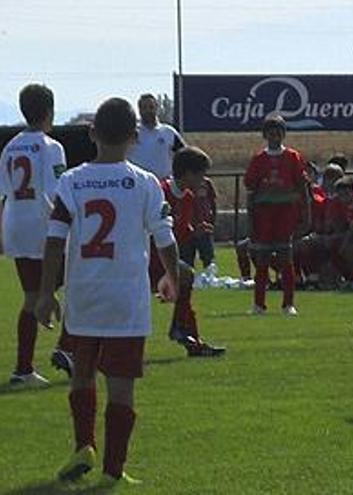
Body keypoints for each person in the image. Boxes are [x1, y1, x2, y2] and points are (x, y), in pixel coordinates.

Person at [34, 97, 180, 487]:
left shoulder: (72, 181)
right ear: (135, 137)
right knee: (121, 385)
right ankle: (114, 469)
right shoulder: (147, 183)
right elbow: (165, 238)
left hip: (84, 295)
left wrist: (45, 293)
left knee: (81, 374)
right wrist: (172, 279)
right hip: (126, 300)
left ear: (92, 133)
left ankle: (84, 445)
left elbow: (53, 241)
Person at [0, 83, 74, 386]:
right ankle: (66, 348)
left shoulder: (10, 146)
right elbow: (57, 193)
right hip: (43, 226)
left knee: (33, 297)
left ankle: (23, 368)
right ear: (49, 111)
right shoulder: (51, 146)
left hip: (15, 222)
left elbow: (5, 192)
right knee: (81, 281)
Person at [152, 146, 226, 357]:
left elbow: (180, 234)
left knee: (186, 276)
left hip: (161, 259)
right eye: (201, 175)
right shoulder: (160, 191)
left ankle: (186, 333)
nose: (203, 181)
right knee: (186, 275)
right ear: (187, 174)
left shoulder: (186, 197)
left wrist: (196, 232)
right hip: (145, 256)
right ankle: (183, 330)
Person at [244, 115, 311, 315]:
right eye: (271, 133)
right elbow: (251, 190)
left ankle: (288, 304)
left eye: (279, 132)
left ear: (284, 134)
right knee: (262, 258)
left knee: (285, 258)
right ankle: (258, 304)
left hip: (285, 213)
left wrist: (306, 216)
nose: (275, 136)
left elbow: (302, 188)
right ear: (265, 135)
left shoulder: (292, 157)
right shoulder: (258, 160)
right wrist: (251, 220)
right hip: (264, 214)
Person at [127, 93, 185, 180]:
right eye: (144, 108)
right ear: (139, 110)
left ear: (157, 108)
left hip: (164, 183)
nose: (148, 111)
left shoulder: (169, 132)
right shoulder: (130, 132)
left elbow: (183, 156)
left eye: (151, 107)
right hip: (138, 183)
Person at [181, 174, 217, 269]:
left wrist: (212, 220)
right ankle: (189, 277)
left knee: (207, 255)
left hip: (204, 225)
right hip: (189, 226)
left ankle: (209, 276)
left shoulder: (206, 182)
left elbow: (212, 202)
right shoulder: (185, 183)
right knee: (187, 256)